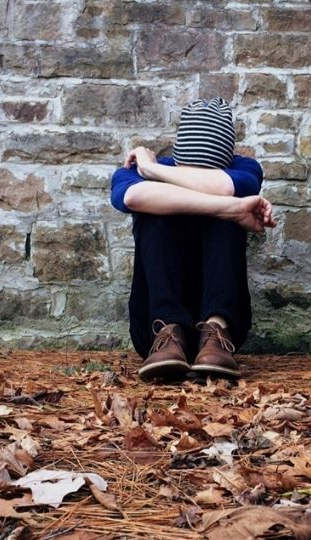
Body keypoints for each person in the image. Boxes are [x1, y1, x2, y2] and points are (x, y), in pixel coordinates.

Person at [110, 97, 276, 381]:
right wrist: (234, 210)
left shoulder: (246, 169)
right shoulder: (133, 173)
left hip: (223, 328)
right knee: (157, 212)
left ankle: (215, 330)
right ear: (178, 159)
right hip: (152, 326)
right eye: (188, 170)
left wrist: (153, 172)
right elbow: (132, 197)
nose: (195, 178)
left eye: (205, 174)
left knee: (228, 211)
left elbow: (225, 188)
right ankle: (170, 330)